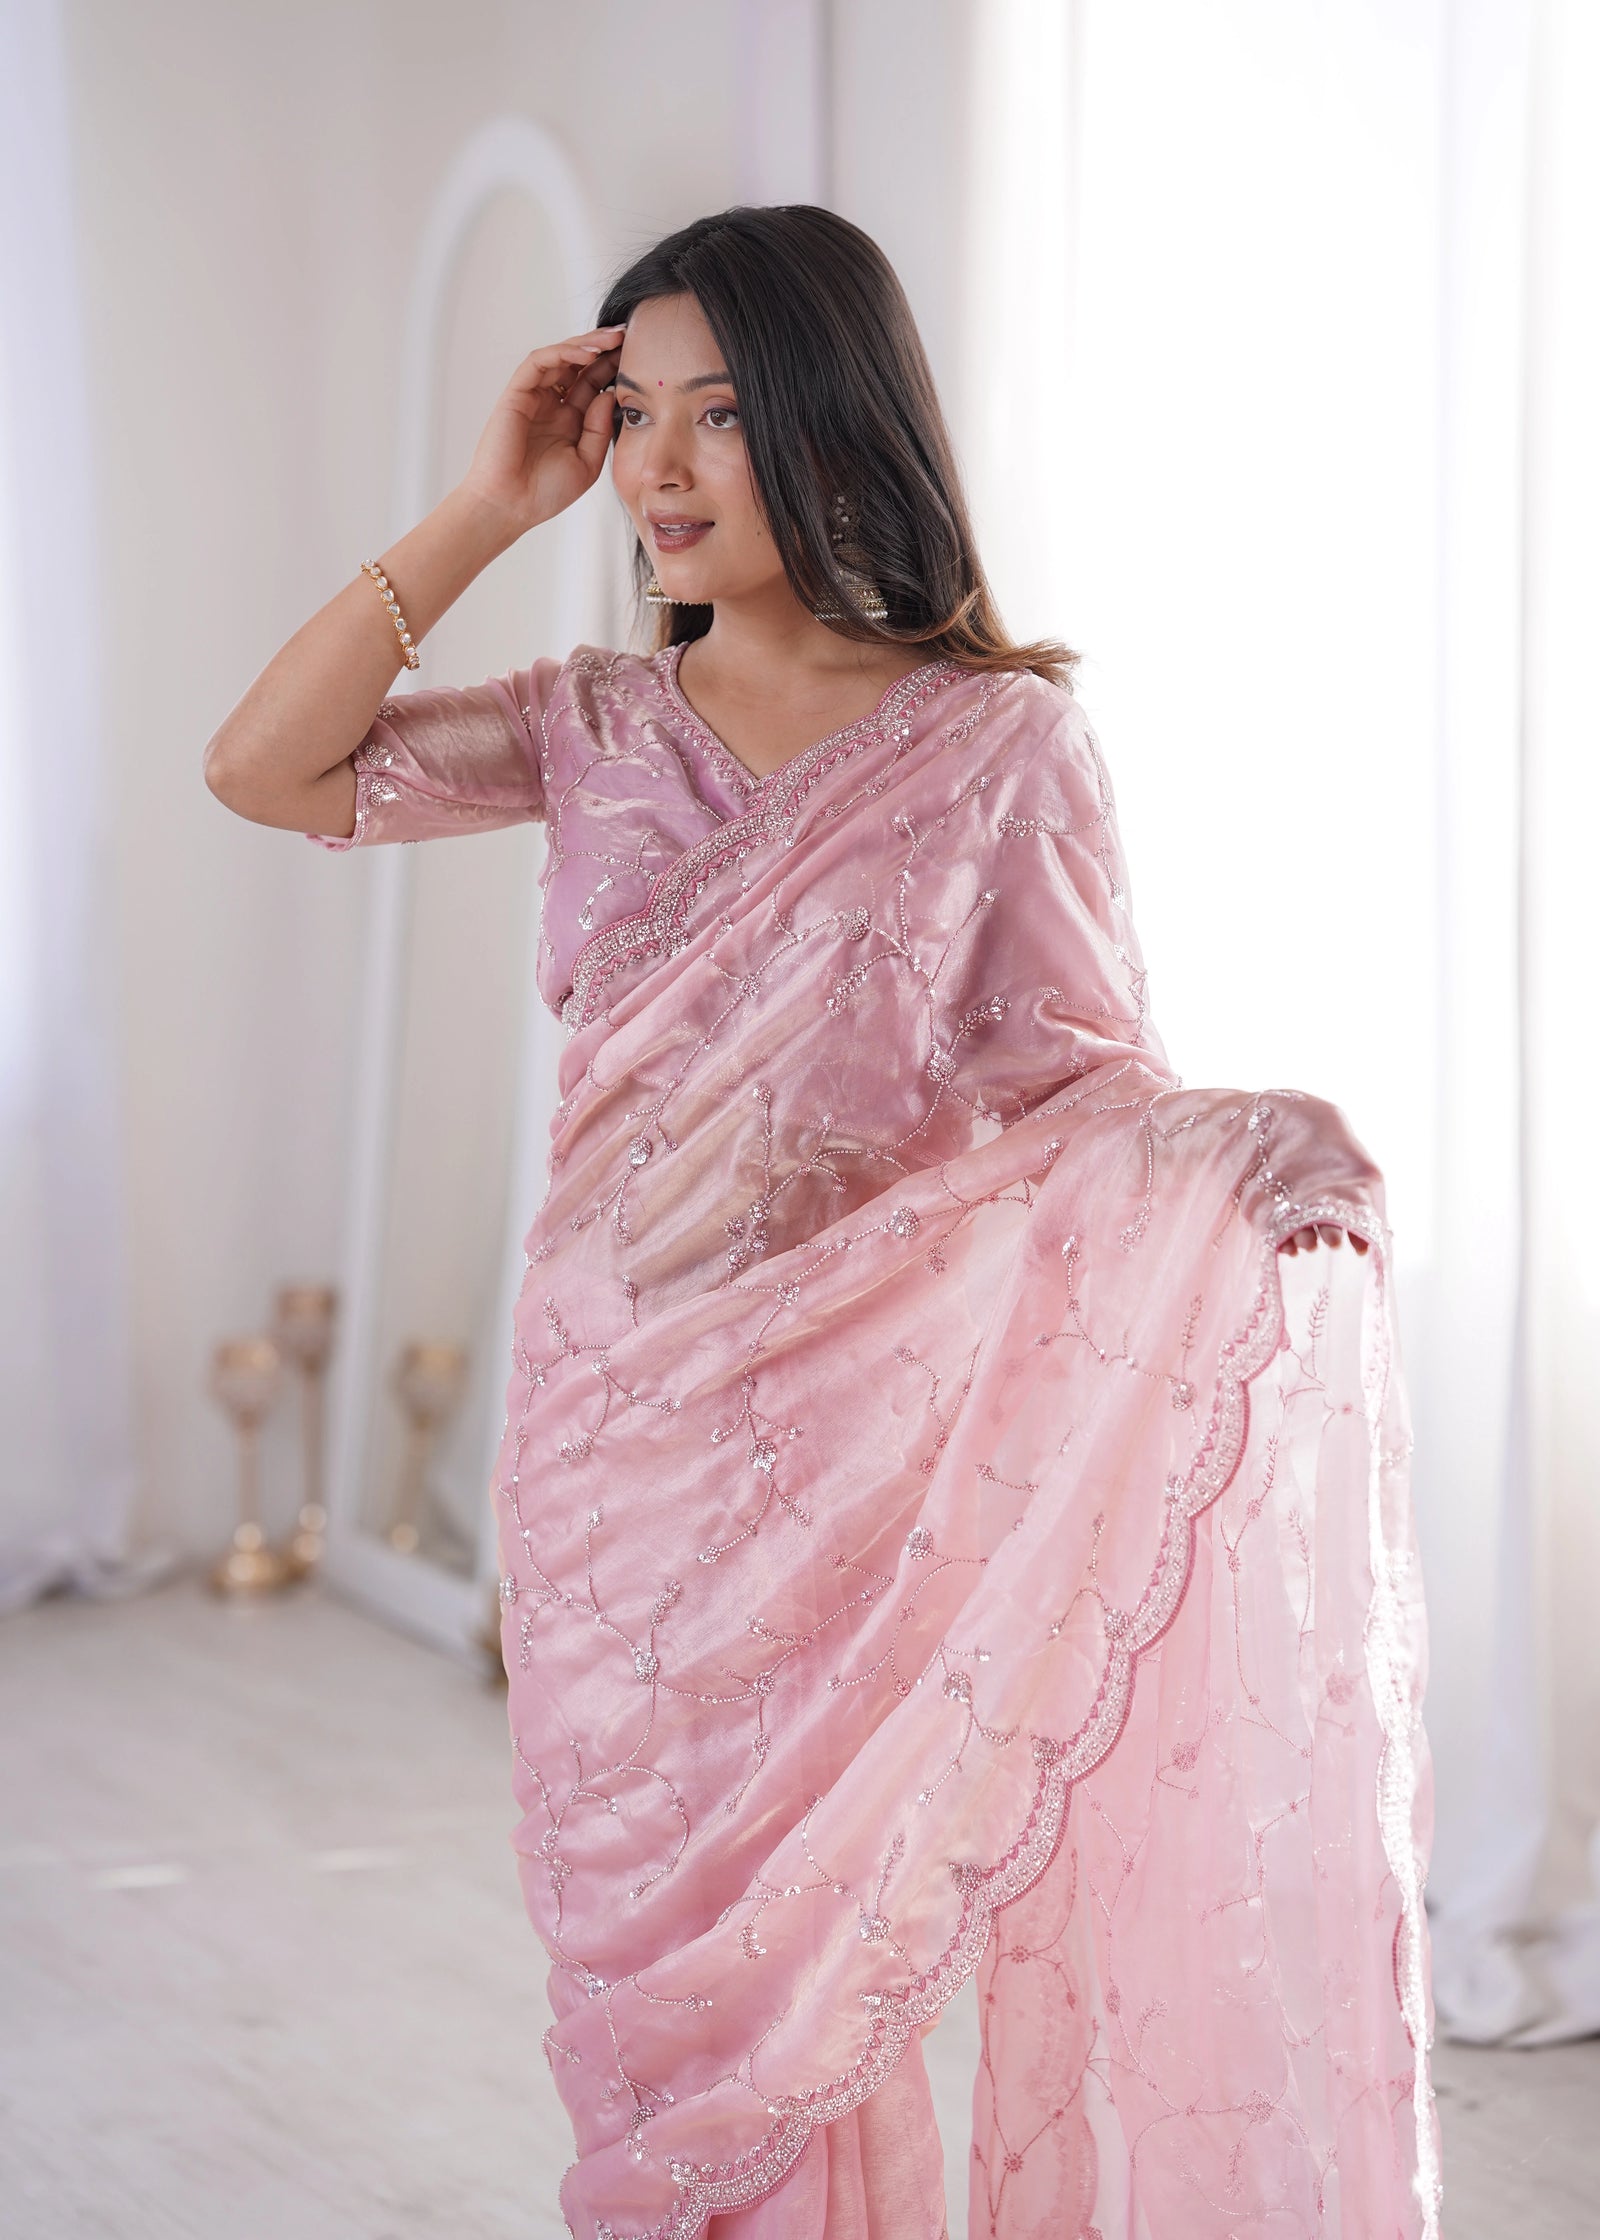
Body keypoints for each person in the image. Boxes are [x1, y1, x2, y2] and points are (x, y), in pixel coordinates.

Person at [204, 205, 1440, 2240]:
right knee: (643, 1994)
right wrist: (486, 502)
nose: (662, 468)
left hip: (845, 1456)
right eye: (631, 420)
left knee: (809, 1993)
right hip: (613, 1456)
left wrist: (1242, 1149)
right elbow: (264, 767)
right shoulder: (588, 724)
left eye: (717, 414)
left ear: (834, 429)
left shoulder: (994, 742)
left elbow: (1074, 1087)